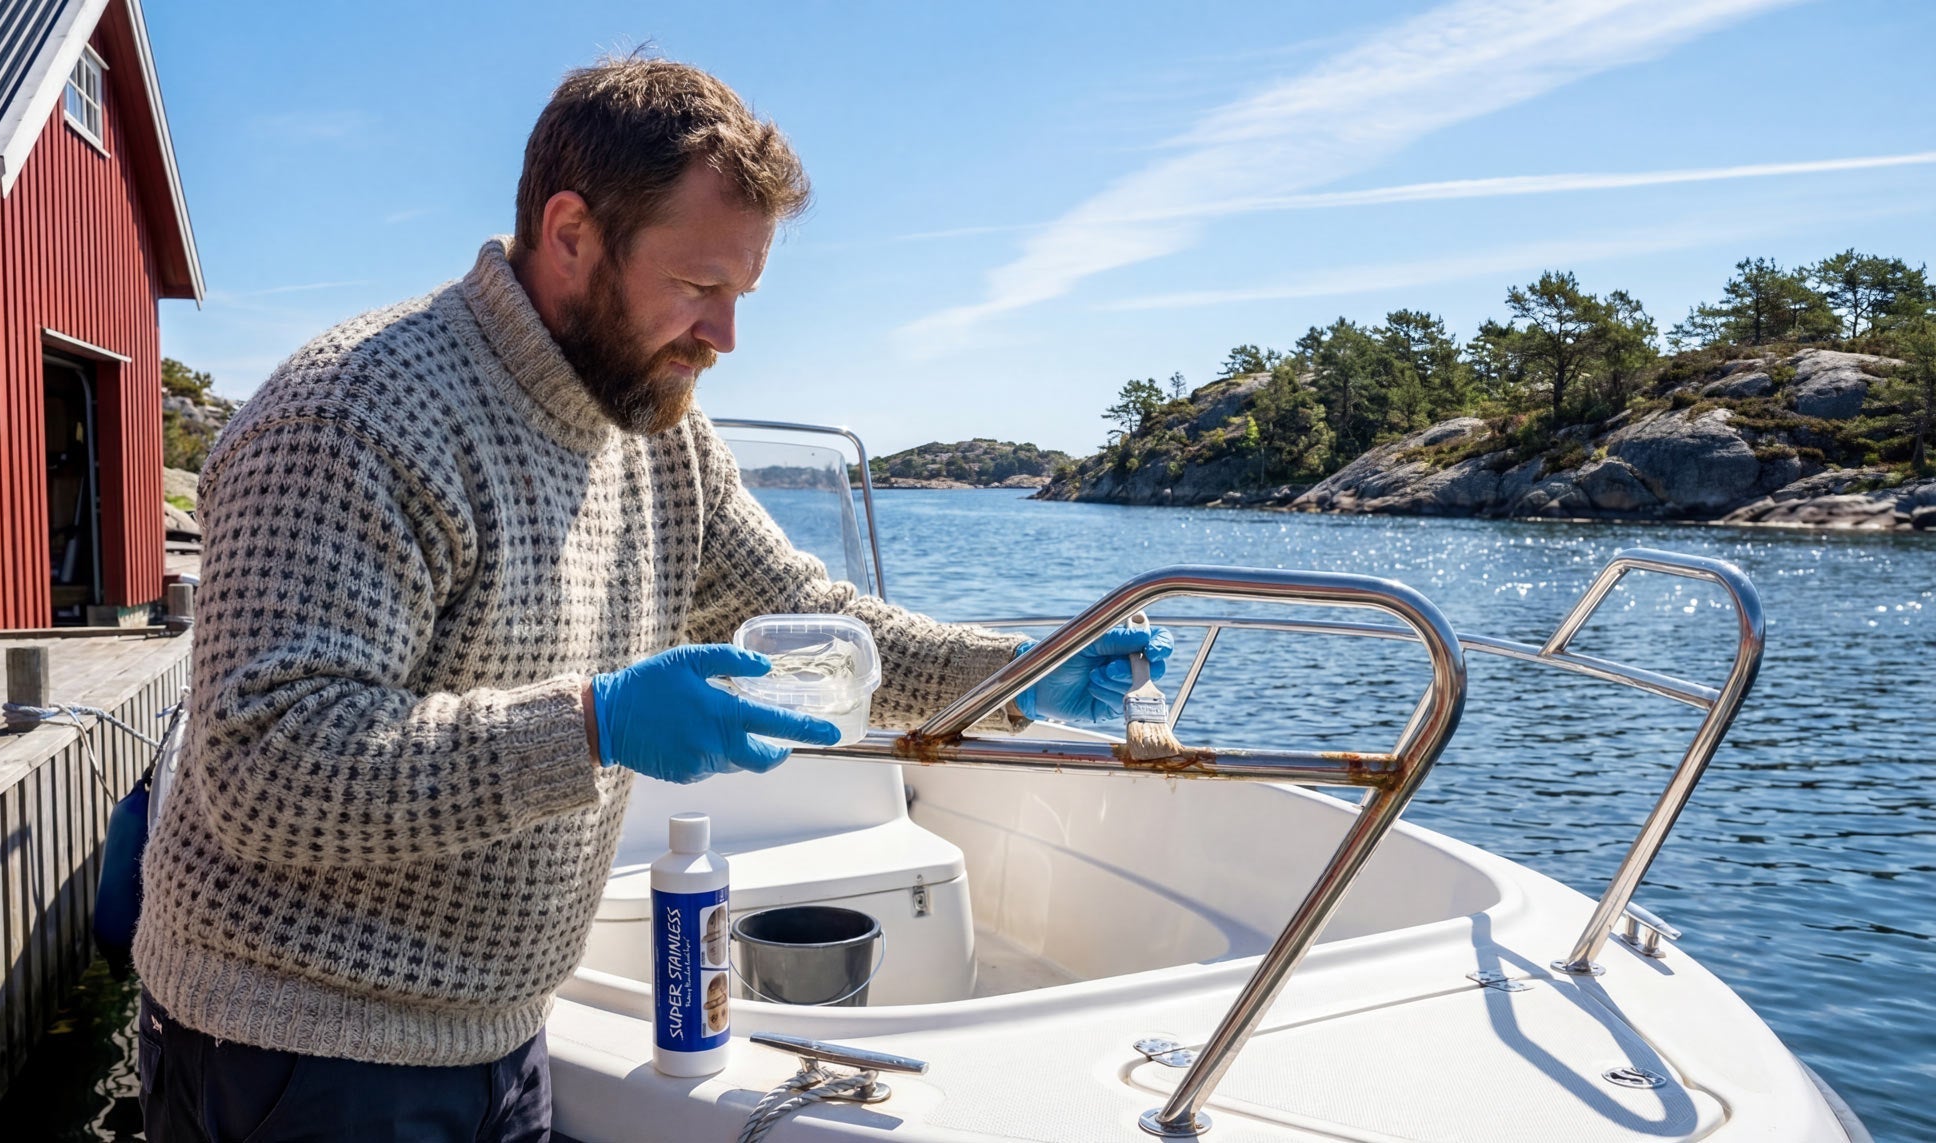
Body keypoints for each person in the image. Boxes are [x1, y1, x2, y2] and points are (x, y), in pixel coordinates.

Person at [131, 55, 1171, 1142]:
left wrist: (1019, 671)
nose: (723, 339)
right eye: (699, 287)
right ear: (571, 233)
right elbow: (270, 769)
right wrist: (595, 726)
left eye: (740, 295)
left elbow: (811, 619)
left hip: (499, 1032)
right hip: (295, 1052)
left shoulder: (657, 434)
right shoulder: (353, 416)